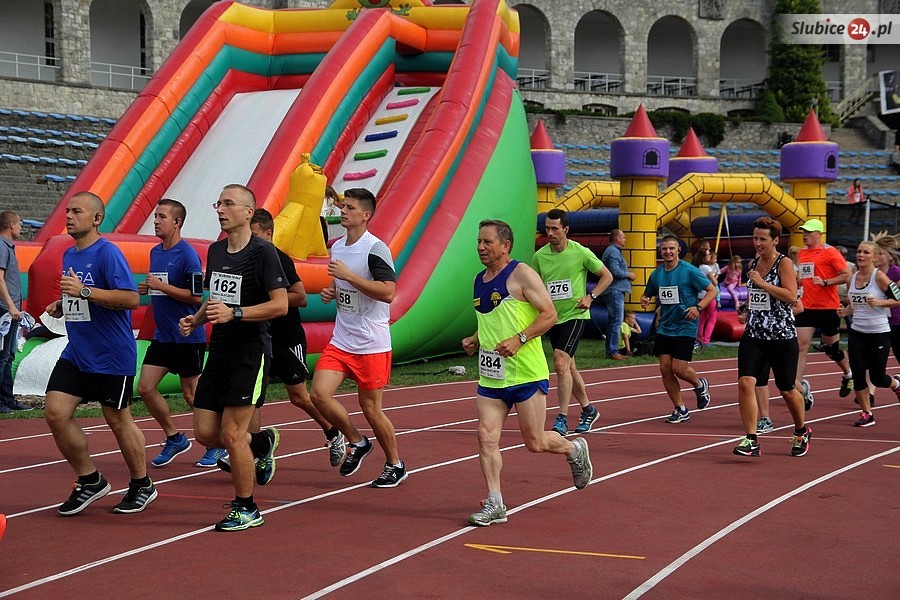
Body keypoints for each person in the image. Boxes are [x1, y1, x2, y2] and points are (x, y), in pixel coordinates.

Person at [462, 219, 592, 527]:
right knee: (485, 436)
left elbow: (550, 314)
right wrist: (475, 338)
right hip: (492, 375)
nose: (481, 247)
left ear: (505, 245)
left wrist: (519, 339)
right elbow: (493, 318)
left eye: (487, 242)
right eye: (479, 241)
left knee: (535, 442)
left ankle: (573, 448)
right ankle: (495, 502)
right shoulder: (479, 280)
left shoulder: (521, 273)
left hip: (526, 373)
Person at [178, 184, 288, 532]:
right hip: (220, 350)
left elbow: (281, 305)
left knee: (232, 434)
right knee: (204, 433)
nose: (220, 210)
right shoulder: (216, 250)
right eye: (218, 203)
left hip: (250, 351)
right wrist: (195, 320)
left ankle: (247, 507)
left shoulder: (263, 252)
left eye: (228, 204)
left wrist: (236, 314)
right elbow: (215, 296)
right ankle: (263, 442)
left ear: (248, 212)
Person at [43, 192, 156, 515]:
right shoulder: (69, 254)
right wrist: (64, 303)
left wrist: (83, 291)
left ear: (96, 219)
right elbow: (82, 298)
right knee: (55, 413)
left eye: (77, 211)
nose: (68, 216)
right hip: (77, 352)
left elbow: (130, 299)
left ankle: (142, 484)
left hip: (110, 354)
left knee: (117, 419)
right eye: (67, 210)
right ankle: (90, 479)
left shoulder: (108, 253)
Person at [309, 188, 407, 488]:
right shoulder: (338, 247)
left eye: (350, 208)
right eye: (343, 206)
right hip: (342, 339)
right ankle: (357, 440)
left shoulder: (375, 249)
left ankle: (395, 464)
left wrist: (349, 277)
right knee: (318, 395)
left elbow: (388, 292)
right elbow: (343, 285)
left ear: (365, 215)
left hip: (371, 342)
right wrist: (333, 290)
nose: (343, 211)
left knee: (371, 409)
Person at [249, 208, 347, 466]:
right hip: (260, 338)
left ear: (268, 234)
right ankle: (255, 449)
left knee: (298, 396)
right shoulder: (246, 259)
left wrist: (272, 300)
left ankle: (333, 432)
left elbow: (301, 297)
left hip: (286, 337)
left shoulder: (278, 259)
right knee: (253, 396)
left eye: (254, 235)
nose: (250, 240)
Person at [135, 199, 221, 468]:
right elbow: (163, 287)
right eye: (155, 216)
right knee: (145, 388)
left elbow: (196, 297)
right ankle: (175, 438)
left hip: (187, 335)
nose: (156, 221)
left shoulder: (187, 254)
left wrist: (161, 286)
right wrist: (149, 288)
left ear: (177, 222)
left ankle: (216, 444)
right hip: (163, 335)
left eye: (162, 217)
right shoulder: (155, 252)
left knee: (192, 395)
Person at [732, 217, 812, 457]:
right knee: (746, 382)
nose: (757, 243)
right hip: (755, 334)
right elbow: (757, 296)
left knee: (787, 389)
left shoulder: (784, 263)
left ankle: (801, 431)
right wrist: (747, 309)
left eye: (763, 239)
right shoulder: (754, 263)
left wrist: (762, 283)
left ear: (776, 240)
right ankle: (751, 439)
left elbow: (791, 296)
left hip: (781, 336)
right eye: (755, 238)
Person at [532, 209, 612, 436]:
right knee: (569, 367)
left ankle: (562, 418)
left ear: (565, 229)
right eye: (547, 228)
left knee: (560, 363)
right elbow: (533, 286)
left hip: (575, 315)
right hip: (553, 318)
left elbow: (607, 276)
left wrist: (590, 297)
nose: (550, 233)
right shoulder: (540, 257)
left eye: (554, 229)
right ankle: (588, 409)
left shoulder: (580, 252)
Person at [639, 235, 716, 423]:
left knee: (679, 368)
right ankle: (680, 408)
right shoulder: (657, 274)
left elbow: (712, 290)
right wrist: (645, 299)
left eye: (671, 248)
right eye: (664, 249)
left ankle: (699, 384)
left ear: (678, 250)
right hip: (665, 326)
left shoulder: (689, 271)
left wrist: (698, 307)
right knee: (665, 368)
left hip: (685, 325)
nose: (668, 252)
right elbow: (648, 293)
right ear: (660, 251)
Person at [836, 241, 900, 427]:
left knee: (877, 378)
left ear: (875, 257)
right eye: (859, 251)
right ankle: (867, 413)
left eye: (866, 252)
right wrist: (846, 311)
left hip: (878, 332)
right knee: (858, 375)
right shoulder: (851, 278)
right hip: (857, 332)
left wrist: (880, 303)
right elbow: (855, 305)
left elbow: (898, 299)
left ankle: (896, 384)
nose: (861, 255)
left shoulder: (879, 277)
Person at [794, 218, 853, 410]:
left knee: (831, 350)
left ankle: (848, 374)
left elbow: (846, 275)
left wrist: (826, 282)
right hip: (807, 307)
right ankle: (797, 386)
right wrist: (799, 281)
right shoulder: (802, 253)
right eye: (804, 232)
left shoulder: (830, 252)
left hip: (828, 308)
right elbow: (805, 278)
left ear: (819, 234)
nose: (805, 235)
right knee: (801, 346)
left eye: (809, 232)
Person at [0, 210, 30, 413]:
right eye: (19, 223)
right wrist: (11, 306)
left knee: (9, 355)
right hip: (5, 310)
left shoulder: (9, 247)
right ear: (11, 225)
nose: (21, 227)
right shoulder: (2, 247)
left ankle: (7, 399)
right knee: (3, 356)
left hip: (12, 310)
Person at [600, 228, 635, 360]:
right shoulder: (613, 252)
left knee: (614, 321)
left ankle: (611, 350)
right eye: (623, 237)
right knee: (616, 321)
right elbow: (615, 270)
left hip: (614, 290)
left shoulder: (613, 251)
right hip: (615, 290)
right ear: (617, 238)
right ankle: (613, 351)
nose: (625, 239)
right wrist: (629, 275)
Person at [695, 249, 720, 353]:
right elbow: (714, 282)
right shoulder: (706, 268)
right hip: (709, 295)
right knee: (712, 318)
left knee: (702, 319)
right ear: (703, 257)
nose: (710, 256)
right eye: (708, 255)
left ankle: (700, 338)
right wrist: (715, 278)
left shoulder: (698, 267)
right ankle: (706, 340)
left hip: (701, 295)